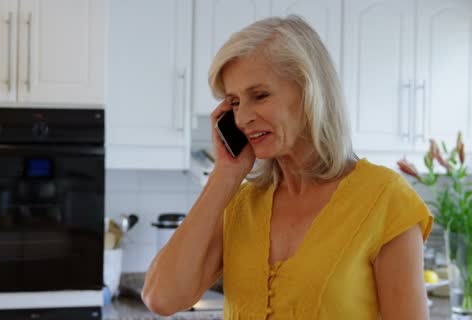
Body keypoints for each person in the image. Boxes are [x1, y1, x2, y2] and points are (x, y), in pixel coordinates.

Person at [142, 15, 433, 319]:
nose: (242, 119)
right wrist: (224, 175)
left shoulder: (385, 199)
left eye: (260, 95)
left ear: (310, 93)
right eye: (235, 102)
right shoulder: (240, 204)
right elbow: (161, 298)